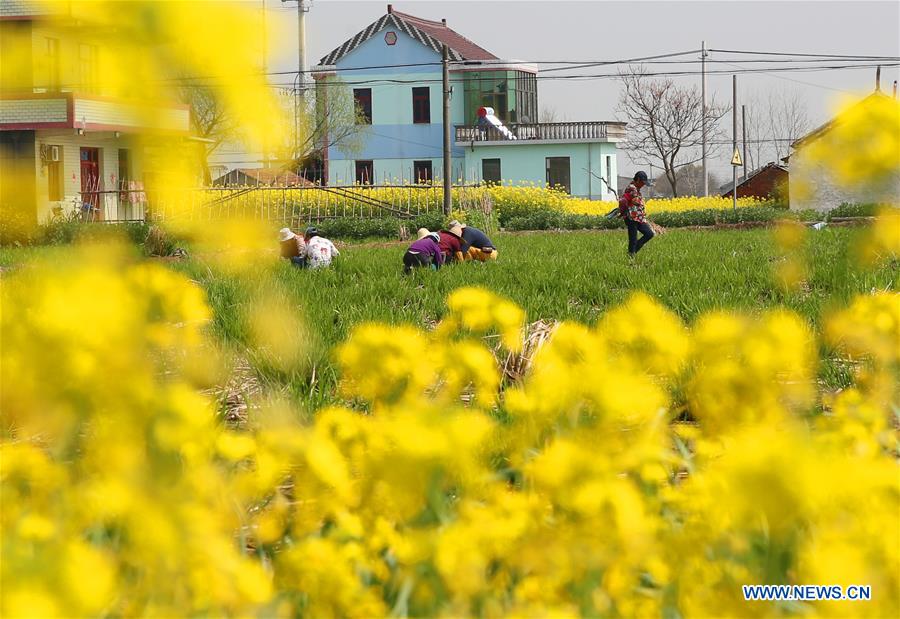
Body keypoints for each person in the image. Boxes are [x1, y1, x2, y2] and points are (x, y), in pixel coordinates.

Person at [619, 171, 655, 256]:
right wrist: (638, 202)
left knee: (649, 234)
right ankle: (631, 256)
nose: (643, 185)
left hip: (638, 217)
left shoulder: (636, 188)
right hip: (631, 217)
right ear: (638, 180)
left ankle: (632, 252)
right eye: (642, 182)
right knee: (633, 239)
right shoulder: (632, 188)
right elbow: (633, 200)